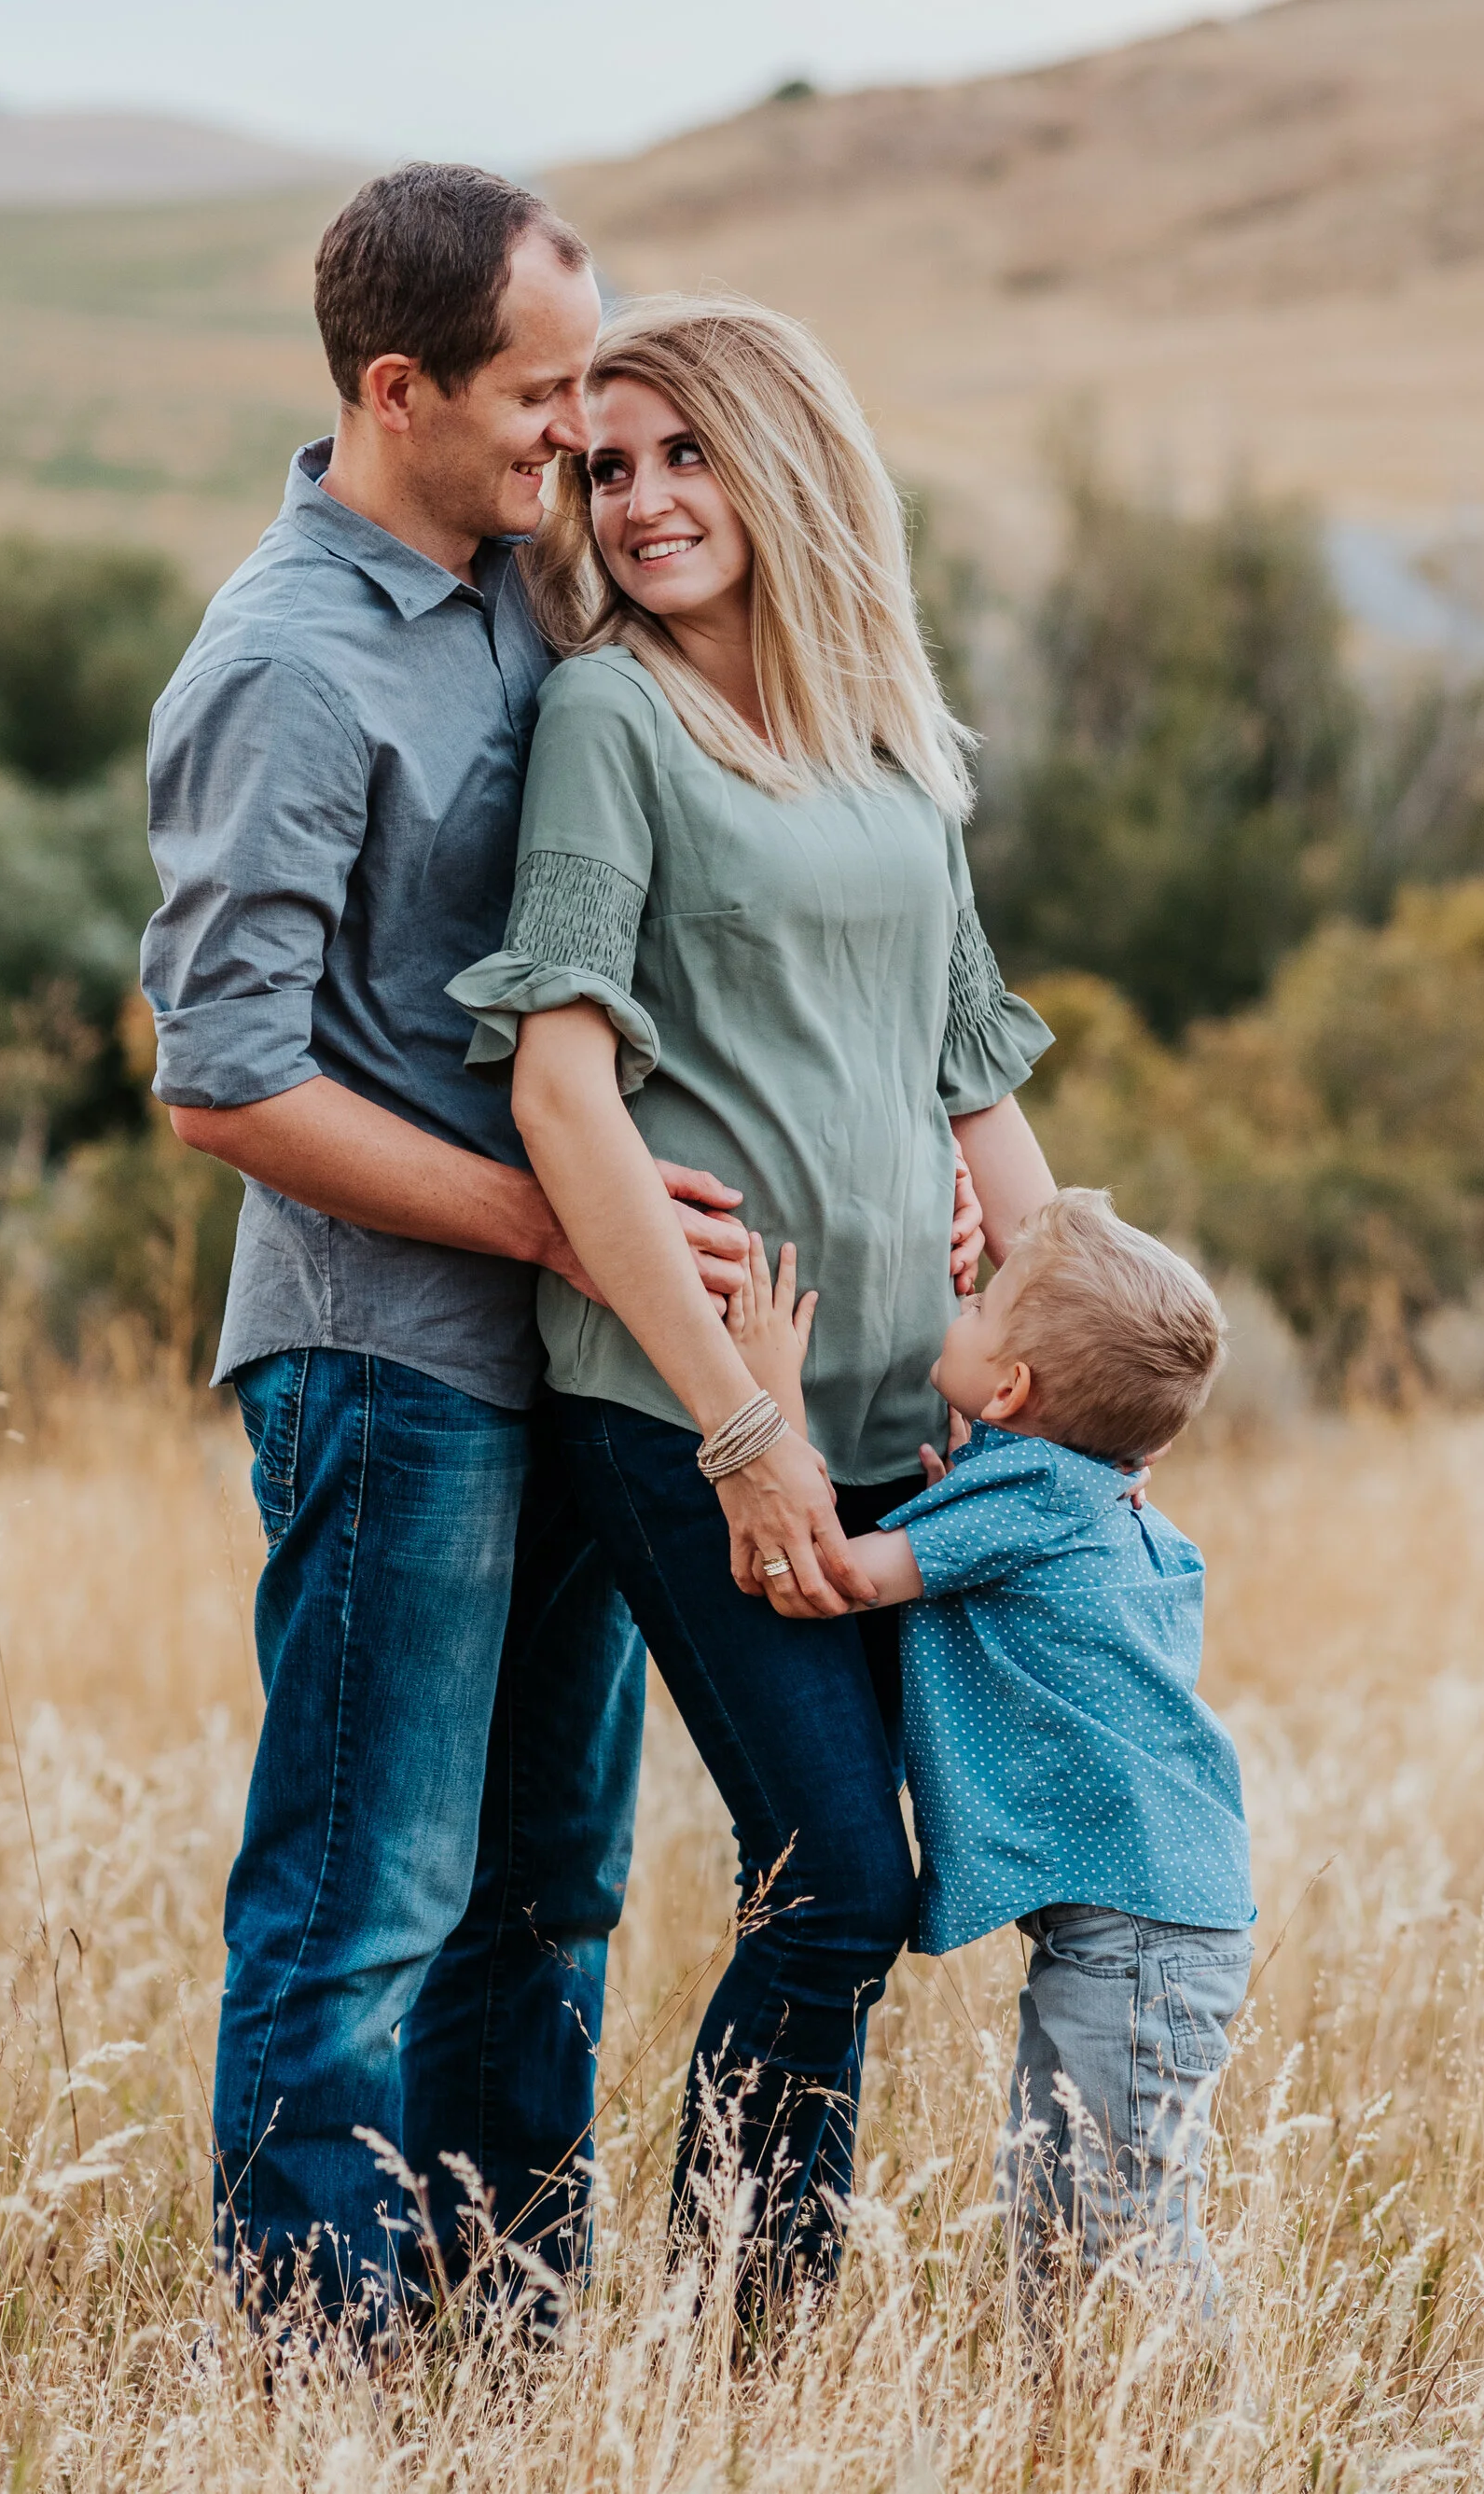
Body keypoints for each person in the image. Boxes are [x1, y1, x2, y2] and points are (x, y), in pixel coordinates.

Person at [142, 165, 757, 2329]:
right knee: (363, 1899)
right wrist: (549, 1219)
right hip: (389, 1359)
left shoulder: (520, 587)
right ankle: (326, 2373)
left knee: (551, 1895)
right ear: (393, 388)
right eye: (541, 388)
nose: (579, 432)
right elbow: (224, 1079)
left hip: (574, 1363)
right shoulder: (288, 668)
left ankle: (505, 2347)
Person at [446, 293, 1058, 2304]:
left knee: (856, 1892)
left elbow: (971, 1078)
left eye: (679, 452)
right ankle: (739, 2337)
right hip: (682, 1410)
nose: (631, 501)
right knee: (841, 1883)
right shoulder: (613, 720)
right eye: (604, 466)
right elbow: (556, 1079)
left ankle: (752, 2340)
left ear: (783, 457)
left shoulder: (891, 741)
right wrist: (740, 1428)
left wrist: (1060, 1376)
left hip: (913, 1423)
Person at [732, 1188, 1253, 2321]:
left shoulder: (1031, 1488)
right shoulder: (1081, 1483)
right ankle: (1090, 2430)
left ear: (1011, 1389)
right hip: (1148, 1921)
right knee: (1076, 2211)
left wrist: (761, 1402)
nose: (959, 1297)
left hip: (1134, 1935)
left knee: (1111, 2227)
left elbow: (836, 1581)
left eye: (983, 1300)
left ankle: (1188, 2436)